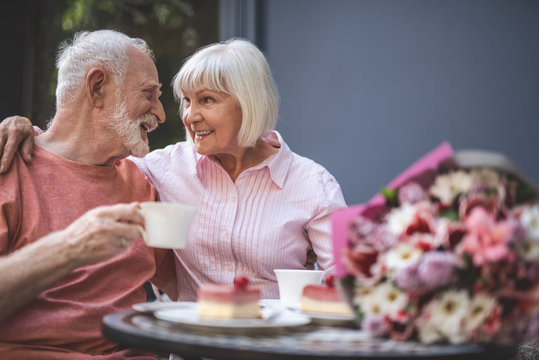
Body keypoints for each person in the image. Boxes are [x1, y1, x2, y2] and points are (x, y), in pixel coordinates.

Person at [0, 38, 346, 301]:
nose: (187, 116)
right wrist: (27, 131)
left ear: (249, 102)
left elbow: (351, 285)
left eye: (207, 100)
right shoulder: (160, 169)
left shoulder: (313, 184)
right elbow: (77, 153)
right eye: (187, 100)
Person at [0, 30, 177, 359]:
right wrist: (69, 249)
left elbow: (184, 288)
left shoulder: (142, 181)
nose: (161, 114)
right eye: (149, 94)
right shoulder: (8, 167)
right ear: (97, 87)